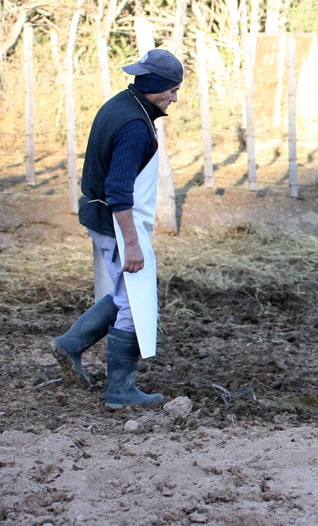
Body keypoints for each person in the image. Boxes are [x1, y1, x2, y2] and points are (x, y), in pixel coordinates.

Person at [48, 48, 183, 408]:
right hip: (116, 223)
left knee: (127, 294)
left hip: (101, 217)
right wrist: (133, 245)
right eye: (172, 89)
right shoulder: (135, 128)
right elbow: (119, 191)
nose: (175, 97)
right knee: (133, 302)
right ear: (156, 87)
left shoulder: (121, 104)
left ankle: (71, 344)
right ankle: (120, 391)